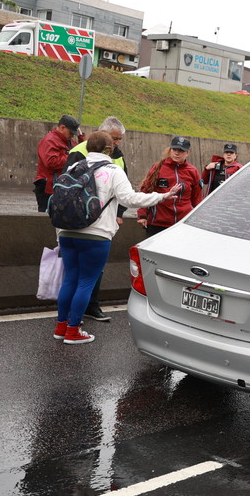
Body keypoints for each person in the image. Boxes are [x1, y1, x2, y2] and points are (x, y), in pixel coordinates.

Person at [54, 131, 181, 345]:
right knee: (86, 282)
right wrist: (162, 196)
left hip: (66, 232)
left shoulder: (74, 168)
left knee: (69, 280)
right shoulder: (113, 170)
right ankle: (73, 331)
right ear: (109, 149)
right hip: (96, 235)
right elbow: (130, 198)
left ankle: (61, 327)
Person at [64, 116, 129, 322]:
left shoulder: (117, 156)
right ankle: (72, 318)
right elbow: (67, 186)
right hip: (79, 220)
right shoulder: (80, 151)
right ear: (102, 135)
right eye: (115, 139)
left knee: (94, 271)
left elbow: (124, 187)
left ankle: (89, 307)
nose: (117, 144)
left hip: (103, 220)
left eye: (119, 139)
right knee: (77, 274)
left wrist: (119, 214)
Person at [136, 135, 203, 237]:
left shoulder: (192, 171)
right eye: (174, 149)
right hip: (157, 223)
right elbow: (145, 191)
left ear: (187, 153)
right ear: (170, 149)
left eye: (181, 150)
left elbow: (197, 198)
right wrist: (142, 214)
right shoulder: (158, 167)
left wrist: (197, 220)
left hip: (182, 224)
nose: (177, 153)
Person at [34, 114, 80, 212]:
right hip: (48, 188)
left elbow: (80, 151)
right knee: (46, 219)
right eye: (71, 132)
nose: (72, 135)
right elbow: (51, 162)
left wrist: (81, 138)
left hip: (60, 186)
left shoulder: (68, 141)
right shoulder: (49, 140)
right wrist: (71, 157)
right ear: (62, 127)